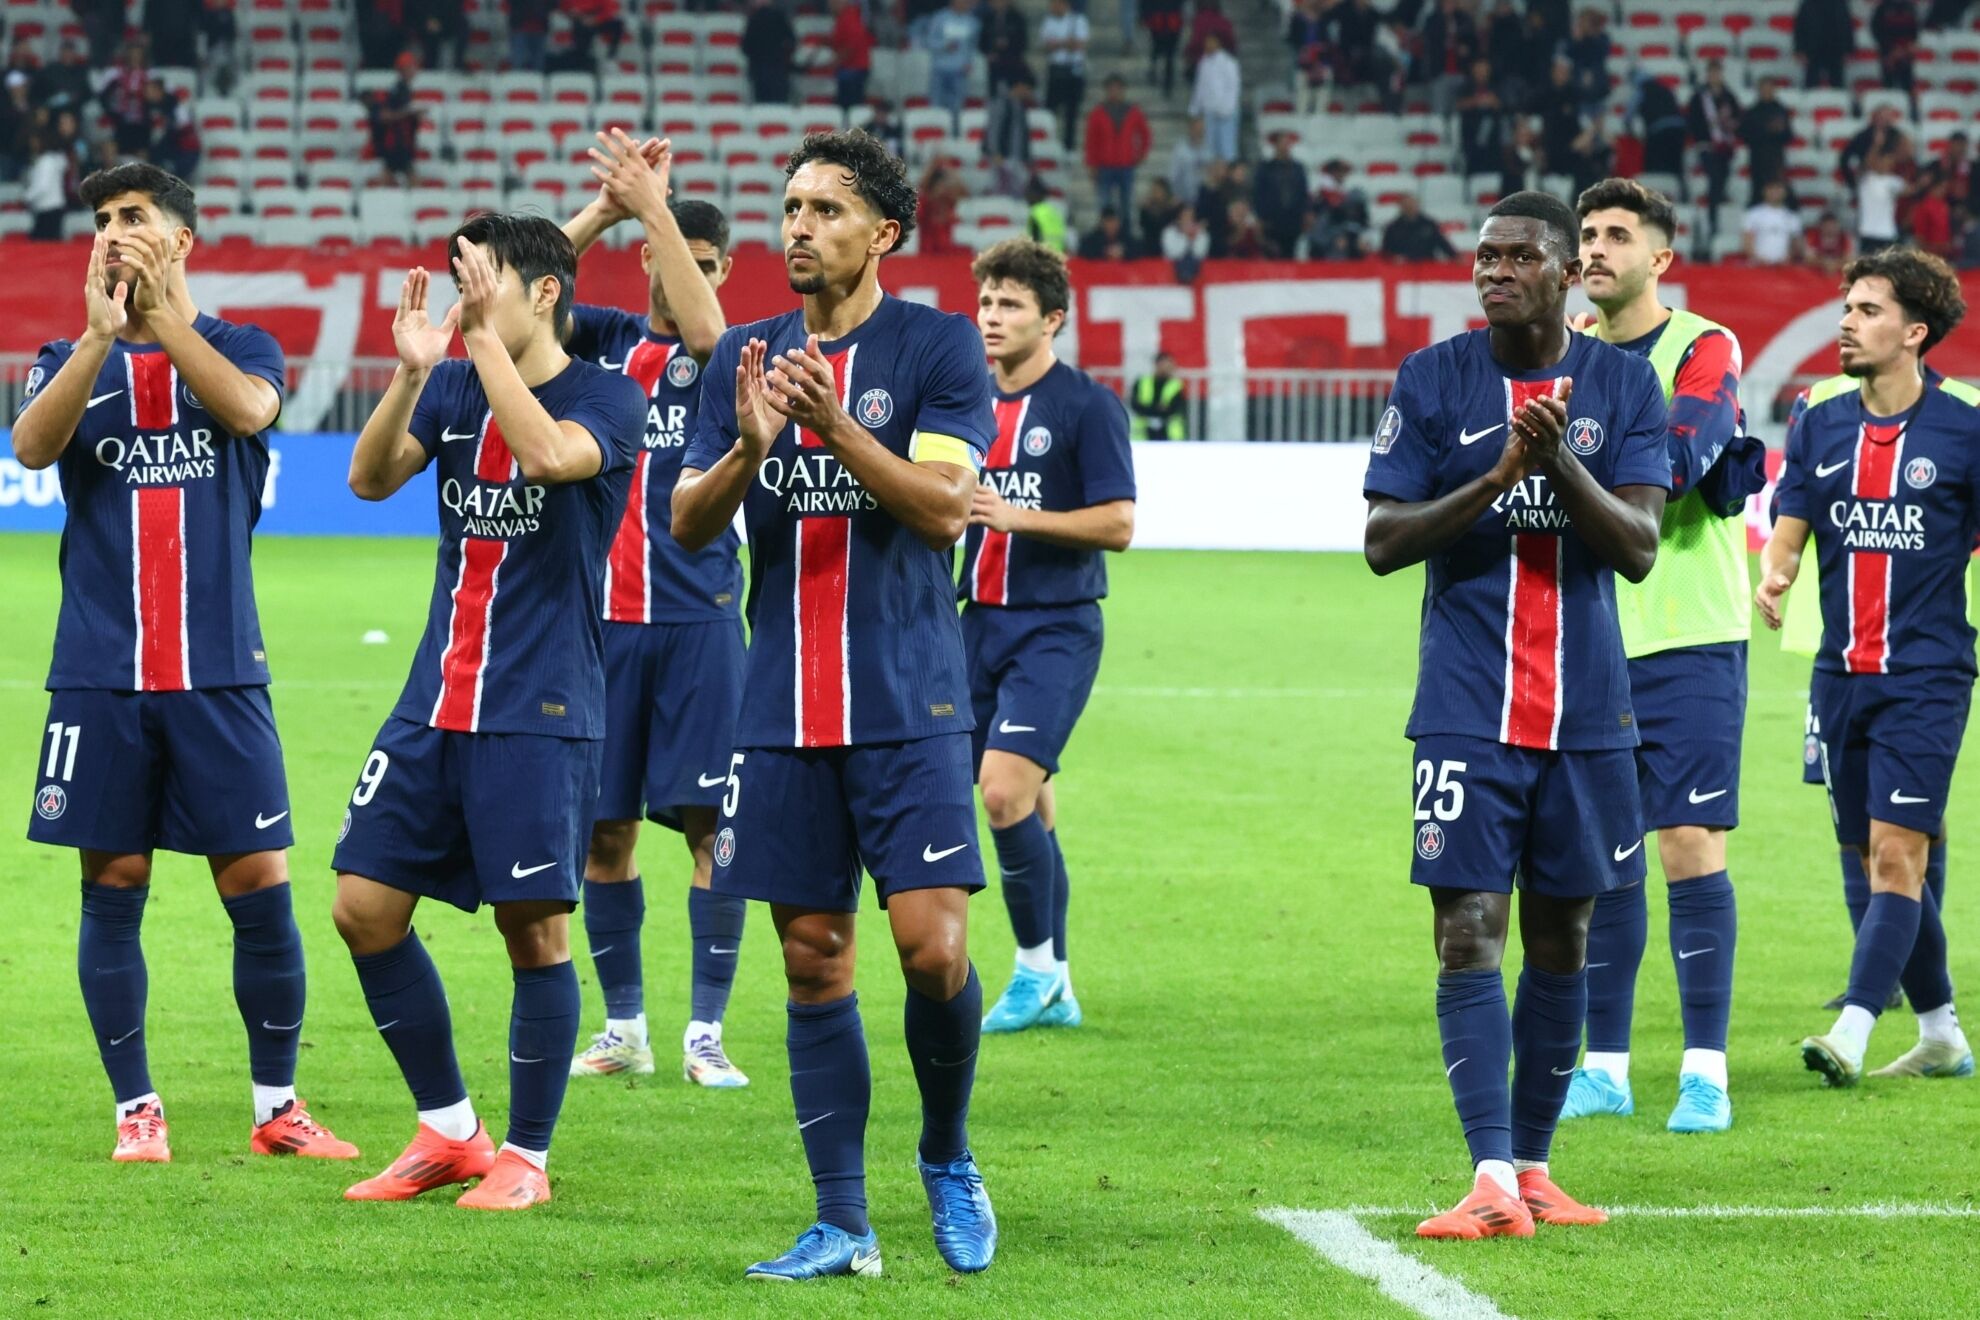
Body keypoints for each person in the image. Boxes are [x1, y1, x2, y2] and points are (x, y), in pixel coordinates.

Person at [673, 128, 999, 1281]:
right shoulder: (744, 355)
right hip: (783, 710)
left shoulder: (938, 346)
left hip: (911, 701)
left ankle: (947, 1152)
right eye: (791, 207)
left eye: (826, 209)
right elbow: (687, 526)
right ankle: (842, 1221)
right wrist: (750, 447)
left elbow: (947, 508)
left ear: (883, 233)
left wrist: (837, 427)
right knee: (815, 961)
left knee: (934, 951)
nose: (799, 227)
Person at [13, 163, 355, 1164]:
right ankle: (137, 1111)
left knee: (259, 885)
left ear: (181, 240)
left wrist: (160, 319)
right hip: (100, 672)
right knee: (113, 883)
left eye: (135, 216)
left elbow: (248, 411)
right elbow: (31, 448)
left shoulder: (243, 347)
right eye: (103, 219)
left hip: (219, 672)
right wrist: (96, 338)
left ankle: (278, 1107)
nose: (114, 231)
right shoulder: (66, 357)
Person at [1362, 190, 1670, 1239]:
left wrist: (1559, 460)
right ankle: (1489, 1175)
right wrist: (1500, 473)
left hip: (1586, 713)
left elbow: (1638, 547)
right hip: (1464, 706)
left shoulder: (1624, 385)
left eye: (1519, 257)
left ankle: (1533, 1169)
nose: (1494, 271)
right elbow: (1384, 542)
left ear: (1565, 273)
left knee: (1563, 938)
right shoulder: (1433, 378)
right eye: (1484, 256)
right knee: (1467, 935)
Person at [331, 214, 646, 1209]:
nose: (469, 302)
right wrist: (413, 373)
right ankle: (449, 1130)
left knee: (533, 933)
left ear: (545, 293)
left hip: (539, 707)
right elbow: (368, 480)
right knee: (362, 907)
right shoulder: (455, 383)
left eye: (485, 283)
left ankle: (528, 1158)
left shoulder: (608, 396)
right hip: (434, 699)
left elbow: (548, 455)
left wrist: (473, 341)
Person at [1560, 178, 1763, 1135]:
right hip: (1593, 632)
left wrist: (1567, 454)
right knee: (1605, 858)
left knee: (1688, 846)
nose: (1595, 249)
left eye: (1616, 234)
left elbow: (1676, 463)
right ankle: (1604, 1067)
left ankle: (1705, 1073)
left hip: (1689, 631)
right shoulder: (1568, 352)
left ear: (1660, 257)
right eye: (1587, 234)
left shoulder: (1704, 346)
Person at [553, 133, 750, 1088]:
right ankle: (624, 1026)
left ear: (724, 271)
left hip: (703, 626)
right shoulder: (602, 342)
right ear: (642, 258)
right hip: (604, 630)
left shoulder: (734, 358)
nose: (685, 276)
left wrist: (658, 210)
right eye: (672, 257)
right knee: (605, 833)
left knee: (712, 828)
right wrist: (608, 206)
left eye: (705, 265)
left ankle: (704, 1032)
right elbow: (515, 289)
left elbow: (710, 336)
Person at [1758, 246, 1979, 1086]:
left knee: (1895, 855)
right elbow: (1794, 515)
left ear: (1915, 332)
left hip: (1927, 677)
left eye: (1868, 310)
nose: (1846, 322)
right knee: (1876, 860)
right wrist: (1777, 570)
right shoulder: (1820, 419)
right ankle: (1942, 1034)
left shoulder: (1965, 427)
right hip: (1839, 675)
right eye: (1847, 307)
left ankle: (1852, 1029)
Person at [965, 239, 1136, 1034]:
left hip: (1055, 626)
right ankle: (1057, 983)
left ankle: (1035, 970)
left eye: (1011, 305)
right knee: (1027, 805)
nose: (992, 318)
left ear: (1053, 319)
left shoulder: (1086, 407)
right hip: (972, 622)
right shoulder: (966, 400)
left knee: (1002, 794)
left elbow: (1119, 524)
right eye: (986, 302)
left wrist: (1016, 516)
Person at [1084, 74, 1150, 228]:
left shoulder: (1133, 112)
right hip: (1104, 166)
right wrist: (1092, 164)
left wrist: (1141, 154)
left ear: (1123, 90)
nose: (1114, 92)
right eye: (1111, 89)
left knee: (1126, 204)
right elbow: (1091, 141)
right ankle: (1104, 232)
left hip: (1126, 165)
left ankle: (1125, 233)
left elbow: (1145, 134)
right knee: (1104, 204)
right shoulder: (1098, 113)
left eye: (1117, 89)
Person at [1687, 62, 1742, 219]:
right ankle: (1713, 214)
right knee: (1714, 177)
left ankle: (1718, 211)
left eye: (1717, 73)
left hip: (1725, 146)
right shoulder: (1699, 97)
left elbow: (1738, 119)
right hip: (1706, 145)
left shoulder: (1729, 96)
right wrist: (1706, 130)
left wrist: (1730, 124)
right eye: (1712, 73)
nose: (1714, 76)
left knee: (1723, 177)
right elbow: (1692, 121)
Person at [1039, 0, 1089, 153]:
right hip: (1056, 69)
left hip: (1073, 69)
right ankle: (1048, 143)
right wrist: (1066, 43)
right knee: (1051, 110)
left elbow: (1079, 44)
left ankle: (1069, 147)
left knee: (1071, 112)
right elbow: (1046, 46)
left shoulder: (1078, 20)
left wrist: (1058, 44)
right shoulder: (1048, 22)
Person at [1253, 130, 1310, 259]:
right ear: (1276, 145)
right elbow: (1258, 194)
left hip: (1293, 221)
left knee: (1290, 256)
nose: (1285, 146)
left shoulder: (1298, 168)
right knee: (1272, 255)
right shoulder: (1265, 168)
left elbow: (1303, 193)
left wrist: (1306, 213)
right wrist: (1260, 217)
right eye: (1282, 143)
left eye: (1287, 143)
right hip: (1271, 221)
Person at [923, 0, 980, 126]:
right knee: (936, 106)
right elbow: (929, 42)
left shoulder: (972, 22)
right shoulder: (939, 18)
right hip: (940, 69)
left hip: (960, 71)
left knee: (957, 109)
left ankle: (954, 133)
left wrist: (969, 62)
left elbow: (972, 47)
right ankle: (936, 130)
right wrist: (944, 45)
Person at [1740, 79, 1795, 205]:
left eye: (1769, 89)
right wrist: (1764, 131)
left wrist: (1777, 131)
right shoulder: (1752, 111)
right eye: (1764, 89)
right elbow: (1744, 134)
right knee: (1757, 191)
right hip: (1757, 157)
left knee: (1779, 188)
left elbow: (1788, 135)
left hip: (1776, 158)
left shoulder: (1781, 111)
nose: (1766, 92)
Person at [1189, 32, 1240, 165]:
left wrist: (1227, 108)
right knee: (1210, 149)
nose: (1208, 45)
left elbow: (1233, 87)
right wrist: (1195, 109)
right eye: (1206, 42)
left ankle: (1228, 171)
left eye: (1211, 42)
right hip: (1209, 111)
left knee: (1227, 148)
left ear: (1218, 43)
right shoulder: (1203, 63)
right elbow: (1200, 87)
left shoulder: (1228, 63)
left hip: (1226, 112)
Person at [744, 0, 797, 107]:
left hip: (760, 72)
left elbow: (745, 48)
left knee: (762, 108)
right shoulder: (779, 17)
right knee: (780, 107)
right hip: (778, 71)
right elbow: (792, 41)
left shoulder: (754, 19)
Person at [1795, 0, 1854, 89]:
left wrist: (1848, 50)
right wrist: (1800, 49)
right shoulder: (1808, 3)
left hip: (1835, 49)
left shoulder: (1840, 3)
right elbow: (1800, 27)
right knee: (1811, 86)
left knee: (1837, 86)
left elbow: (1846, 26)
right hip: (1813, 49)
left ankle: (1838, 98)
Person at [1381, 193, 1457, 262]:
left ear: (1417, 205)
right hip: (1403, 267)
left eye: (1412, 204)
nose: (1410, 207)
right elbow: (1386, 252)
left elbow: (1442, 242)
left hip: (1427, 265)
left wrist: (1455, 256)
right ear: (1401, 207)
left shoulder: (1429, 224)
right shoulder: (1392, 228)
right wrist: (1394, 258)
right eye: (1406, 205)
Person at [1743, 179, 1804, 265]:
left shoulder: (1792, 217)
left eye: (1778, 189)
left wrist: (1789, 257)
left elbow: (1796, 242)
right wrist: (1760, 259)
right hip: (1758, 265)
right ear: (1764, 191)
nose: (1774, 192)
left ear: (1785, 192)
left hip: (1783, 265)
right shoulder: (1753, 214)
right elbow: (1747, 241)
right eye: (1771, 189)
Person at [1129, 351, 1187, 440]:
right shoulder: (1142, 382)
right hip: (1143, 433)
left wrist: (1149, 408)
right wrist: (1158, 409)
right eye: (1165, 364)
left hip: (1169, 434)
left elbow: (1176, 407)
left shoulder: (1176, 385)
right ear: (1157, 364)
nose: (1168, 367)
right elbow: (1135, 404)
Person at [1858, 151, 1906, 254]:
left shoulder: (1895, 181)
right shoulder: (1866, 178)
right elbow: (1866, 163)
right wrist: (1877, 145)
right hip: (1868, 232)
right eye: (1883, 161)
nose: (1885, 164)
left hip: (1887, 233)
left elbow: (1908, 191)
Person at [830, 0, 875, 112]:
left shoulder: (849, 17)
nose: (831, 5)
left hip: (854, 69)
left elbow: (852, 44)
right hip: (852, 68)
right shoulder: (845, 17)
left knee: (850, 108)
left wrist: (836, 61)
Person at [978, 0, 1028, 96]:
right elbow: (982, 41)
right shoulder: (987, 18)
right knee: (994, 92)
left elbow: (1023, 41)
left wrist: (1009, 44)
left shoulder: (1017, 18)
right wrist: (988, 53)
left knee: (1012, 92)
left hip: (1012, 62)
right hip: (994, 62)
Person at [1145, 0, 1185, 98]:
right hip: (1164, 19)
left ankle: (1165, 82)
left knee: (1164, 53)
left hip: (1167, 20)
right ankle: (1164, 81)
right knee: (1166, 53)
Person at [1807, 209, 1854, 274]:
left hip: (1837, 274)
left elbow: (1849, 260)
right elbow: (1808, 258)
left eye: (1833, 226)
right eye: (1827, 226)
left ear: (1837, 226)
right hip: (1817, 273)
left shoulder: (1844, 238)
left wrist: (1835, 264)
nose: (1830, 229)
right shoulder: (1814, 236)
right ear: (1821, 227)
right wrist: (1823, 263)